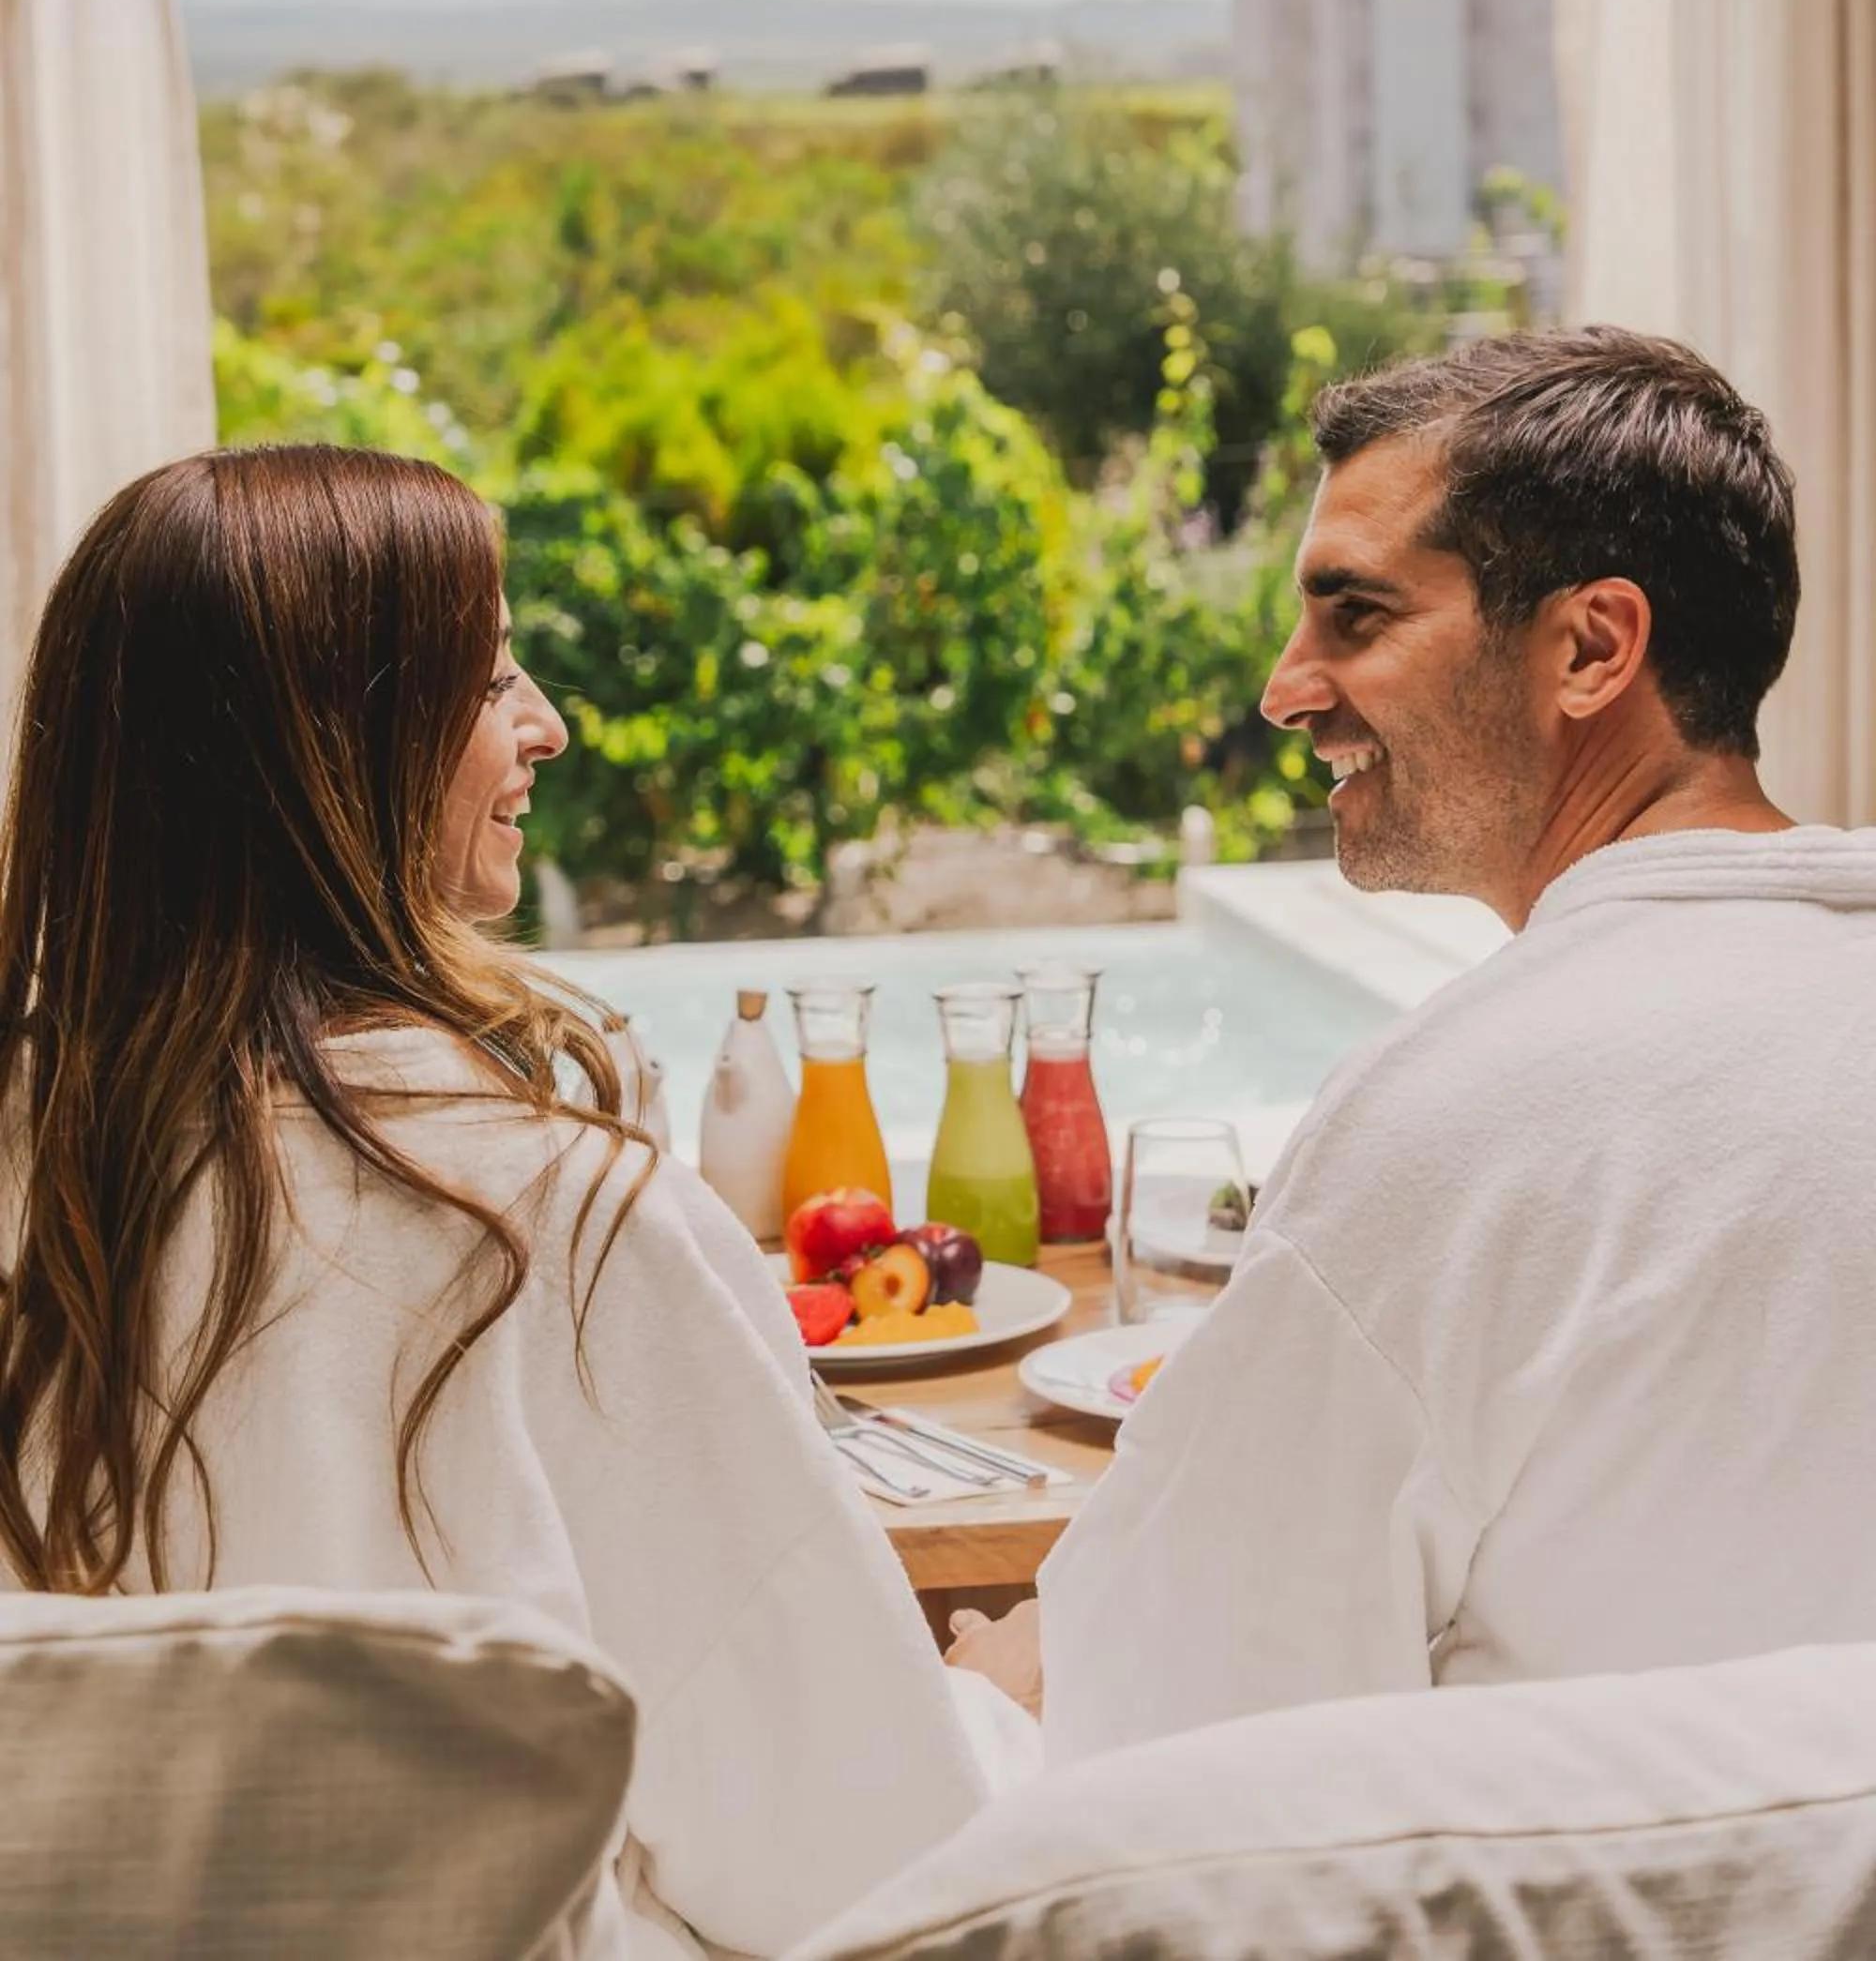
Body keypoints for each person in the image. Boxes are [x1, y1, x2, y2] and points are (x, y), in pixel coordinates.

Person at [0, 445, 1033, 1957]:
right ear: (327, 757)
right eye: (488, 682)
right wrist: (985, 1712)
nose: (546, 721)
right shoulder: (561, 1224)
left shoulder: (50, 1168)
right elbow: (873, 1871)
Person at [956, 325, 1876, 1756]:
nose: (1285, 684)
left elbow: (1169, 1727)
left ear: (1589, 647)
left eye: (1357, 616)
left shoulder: (1468, 1116)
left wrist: (1007, 1683)